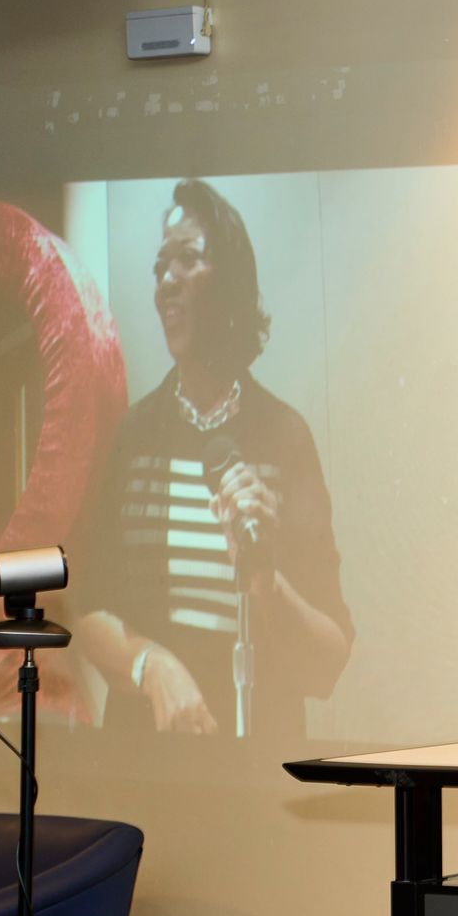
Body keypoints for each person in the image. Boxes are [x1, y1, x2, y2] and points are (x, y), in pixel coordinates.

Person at [75, 179, 353, 737]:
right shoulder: (135, 437)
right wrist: (152, 666)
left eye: (187, 259)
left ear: (228, 283)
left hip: (255, 764)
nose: (165, 281)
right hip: (144, 764)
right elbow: (84, 605)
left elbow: (326, 665)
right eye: (160, 267)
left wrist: (265, 579)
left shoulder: (284, 438)